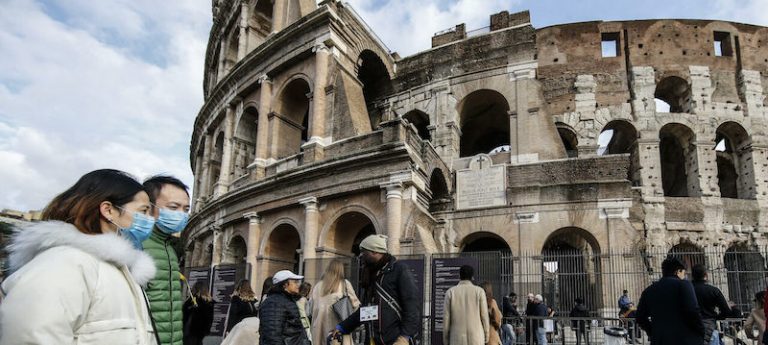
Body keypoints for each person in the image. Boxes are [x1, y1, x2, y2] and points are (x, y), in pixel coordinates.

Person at [0, 169, 158, 344]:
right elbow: (29, 335)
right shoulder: (64, 263)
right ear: (108, 210)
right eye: (143, 211)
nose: (149, 220)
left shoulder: (119, 269)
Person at [332, 234, 420, 345]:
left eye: (364, 252)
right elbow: (366, 311)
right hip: (373, 340)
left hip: (395, 340)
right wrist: (343, 327)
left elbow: (412, 306)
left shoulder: (399, 270)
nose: (361, 255)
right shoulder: (371, 274)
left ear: (375, 251)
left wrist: (404, 337)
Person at [142, 175, 191, 345]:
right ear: (147, 207)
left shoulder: (169, 247)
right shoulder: (135, 246)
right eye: (173, 207)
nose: (181, 215)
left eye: (186, 209)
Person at [636, 256, 705, 345]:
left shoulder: (649, 290)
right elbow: (692, 310)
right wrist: (701, 330)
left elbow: (640, 317)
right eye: (684, 272)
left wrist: (653, 332)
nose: (684, 276)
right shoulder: (684, 285)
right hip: (685, 339)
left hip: (660, 340)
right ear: (678, 271)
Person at [310, 259, 361, 345]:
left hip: (319, 328)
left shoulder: (318, 286)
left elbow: (310, 308)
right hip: (339, 328)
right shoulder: (345, 284)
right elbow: (356, 305)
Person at [260, 270, 311, 345]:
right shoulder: (274, 302)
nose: (298, 285)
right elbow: (272, 334)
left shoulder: (287, 300)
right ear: (285, 285)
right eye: (295, 282)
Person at [442, 265, 489, 345]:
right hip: (477, 336)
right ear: (472, 277)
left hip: (457, 337)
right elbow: (484, 316)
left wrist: (445, 338)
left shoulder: (450, 292)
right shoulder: (479, 291)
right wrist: (487, 334)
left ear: (459, 276)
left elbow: (446, 318)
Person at [691, 263, 731, 345]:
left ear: (692, 275)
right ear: (706, 275)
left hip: (690, 327)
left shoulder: (687, 290)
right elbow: (726, 311)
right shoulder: (713, 290)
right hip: (710, 327)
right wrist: (715, 317)